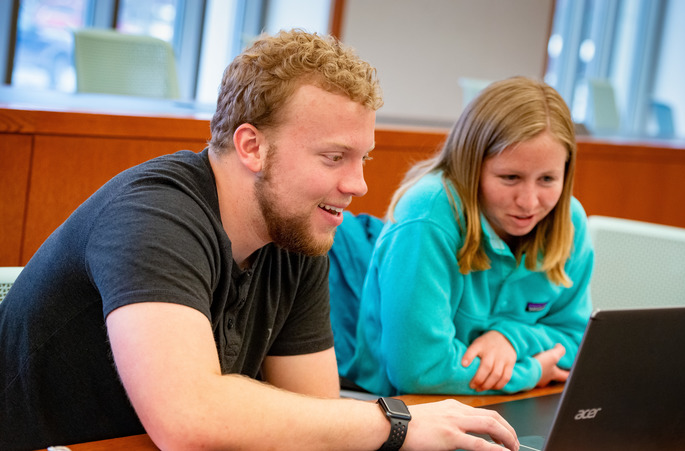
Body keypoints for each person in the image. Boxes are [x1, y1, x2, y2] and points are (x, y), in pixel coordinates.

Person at [0, 30, 520, 451]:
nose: (357, 185)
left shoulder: (297, 230)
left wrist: (381, 429)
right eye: (334, 157)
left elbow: (315, 416)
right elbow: (191, 420)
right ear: (251, 146)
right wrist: (397, 424)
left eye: (364, 159)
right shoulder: (153, 214)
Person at [341, 76, 594, 396]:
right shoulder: (427, 215)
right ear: (470, 165)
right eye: (510, 177)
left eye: (547, 179)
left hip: (496, 404)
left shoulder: (569, 220)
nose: (529, 201)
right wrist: (531, 372)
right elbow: (420, 371)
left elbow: (577, 339)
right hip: (400, 409)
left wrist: (510, 340)